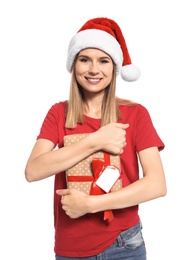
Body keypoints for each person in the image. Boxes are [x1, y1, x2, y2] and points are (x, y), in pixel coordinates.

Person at [25, 17, 167, 260]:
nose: (94, 69)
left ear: (115, 68)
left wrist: (90, 205)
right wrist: (95, 140)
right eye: (84, 60)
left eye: (103, 61)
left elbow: (157, 185)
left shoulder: (136, 114)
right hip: (72, 247)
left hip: (125, 243)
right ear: (74, 65)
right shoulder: (59, 113)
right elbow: (33, 171)